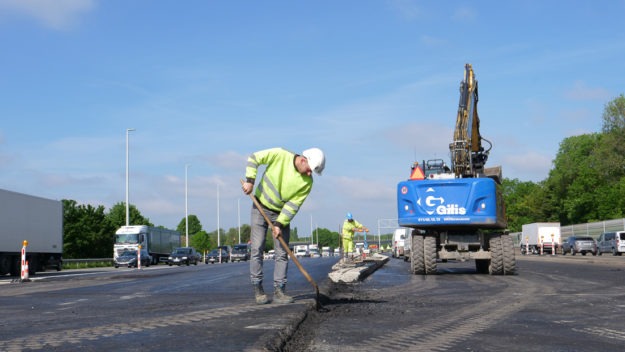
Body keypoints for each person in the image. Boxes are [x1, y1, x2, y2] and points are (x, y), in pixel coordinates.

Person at [242, 147, 325, 305]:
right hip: (260, 207)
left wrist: (279, 224)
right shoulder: (280, 155)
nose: (309, 174)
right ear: (303, 160)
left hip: (280, 214)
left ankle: (279, 291)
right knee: (257, 248)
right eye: (309, 170)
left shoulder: (307, 183)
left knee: (281, 253)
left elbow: (293, 205)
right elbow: (254, 158)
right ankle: (258, 289)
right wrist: (250, 181)